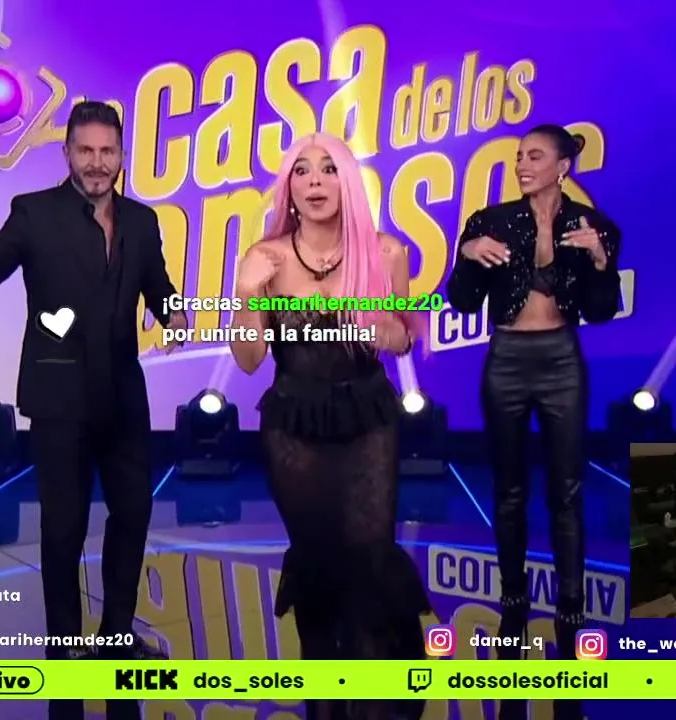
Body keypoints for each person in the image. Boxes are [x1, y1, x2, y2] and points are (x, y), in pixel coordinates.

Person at [0, 102, 187, 720]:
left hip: (123, 396)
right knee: (63, 527)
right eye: (85, 151)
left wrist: (173, 312)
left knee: (134, 513)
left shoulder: (143, 222)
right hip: (58, 396)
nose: (97, 163)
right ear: (67, 153)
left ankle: (116, 634)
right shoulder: (34, 213)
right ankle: (64, 646)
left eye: (107, 152)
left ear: (121, 157)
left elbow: (158, 285)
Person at [228, 132, 429, 720]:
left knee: (368, 556)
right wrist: (246, 293)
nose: (314, 181)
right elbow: (248, 360)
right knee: (316, 559)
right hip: (294, 420)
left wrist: (384, 329)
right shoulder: (266, 257)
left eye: (327, 169)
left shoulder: (385, 253)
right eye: (302, 171)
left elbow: (404, 337)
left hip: (367, 417)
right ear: (288, 187)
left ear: (348, 182)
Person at [445, 124, 622, 720]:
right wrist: (466, 256)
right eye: (519, 156)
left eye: (535, 156)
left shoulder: (594, 226)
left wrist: (599, 260)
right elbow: (462, 300)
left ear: (563, 166)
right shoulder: (490, 222)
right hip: (507, 359)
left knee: (566, 490)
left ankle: (571, 602)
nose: (522, 164)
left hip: (562, 360)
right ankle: (513, 594)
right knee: (509, 489)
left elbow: (601, 311)